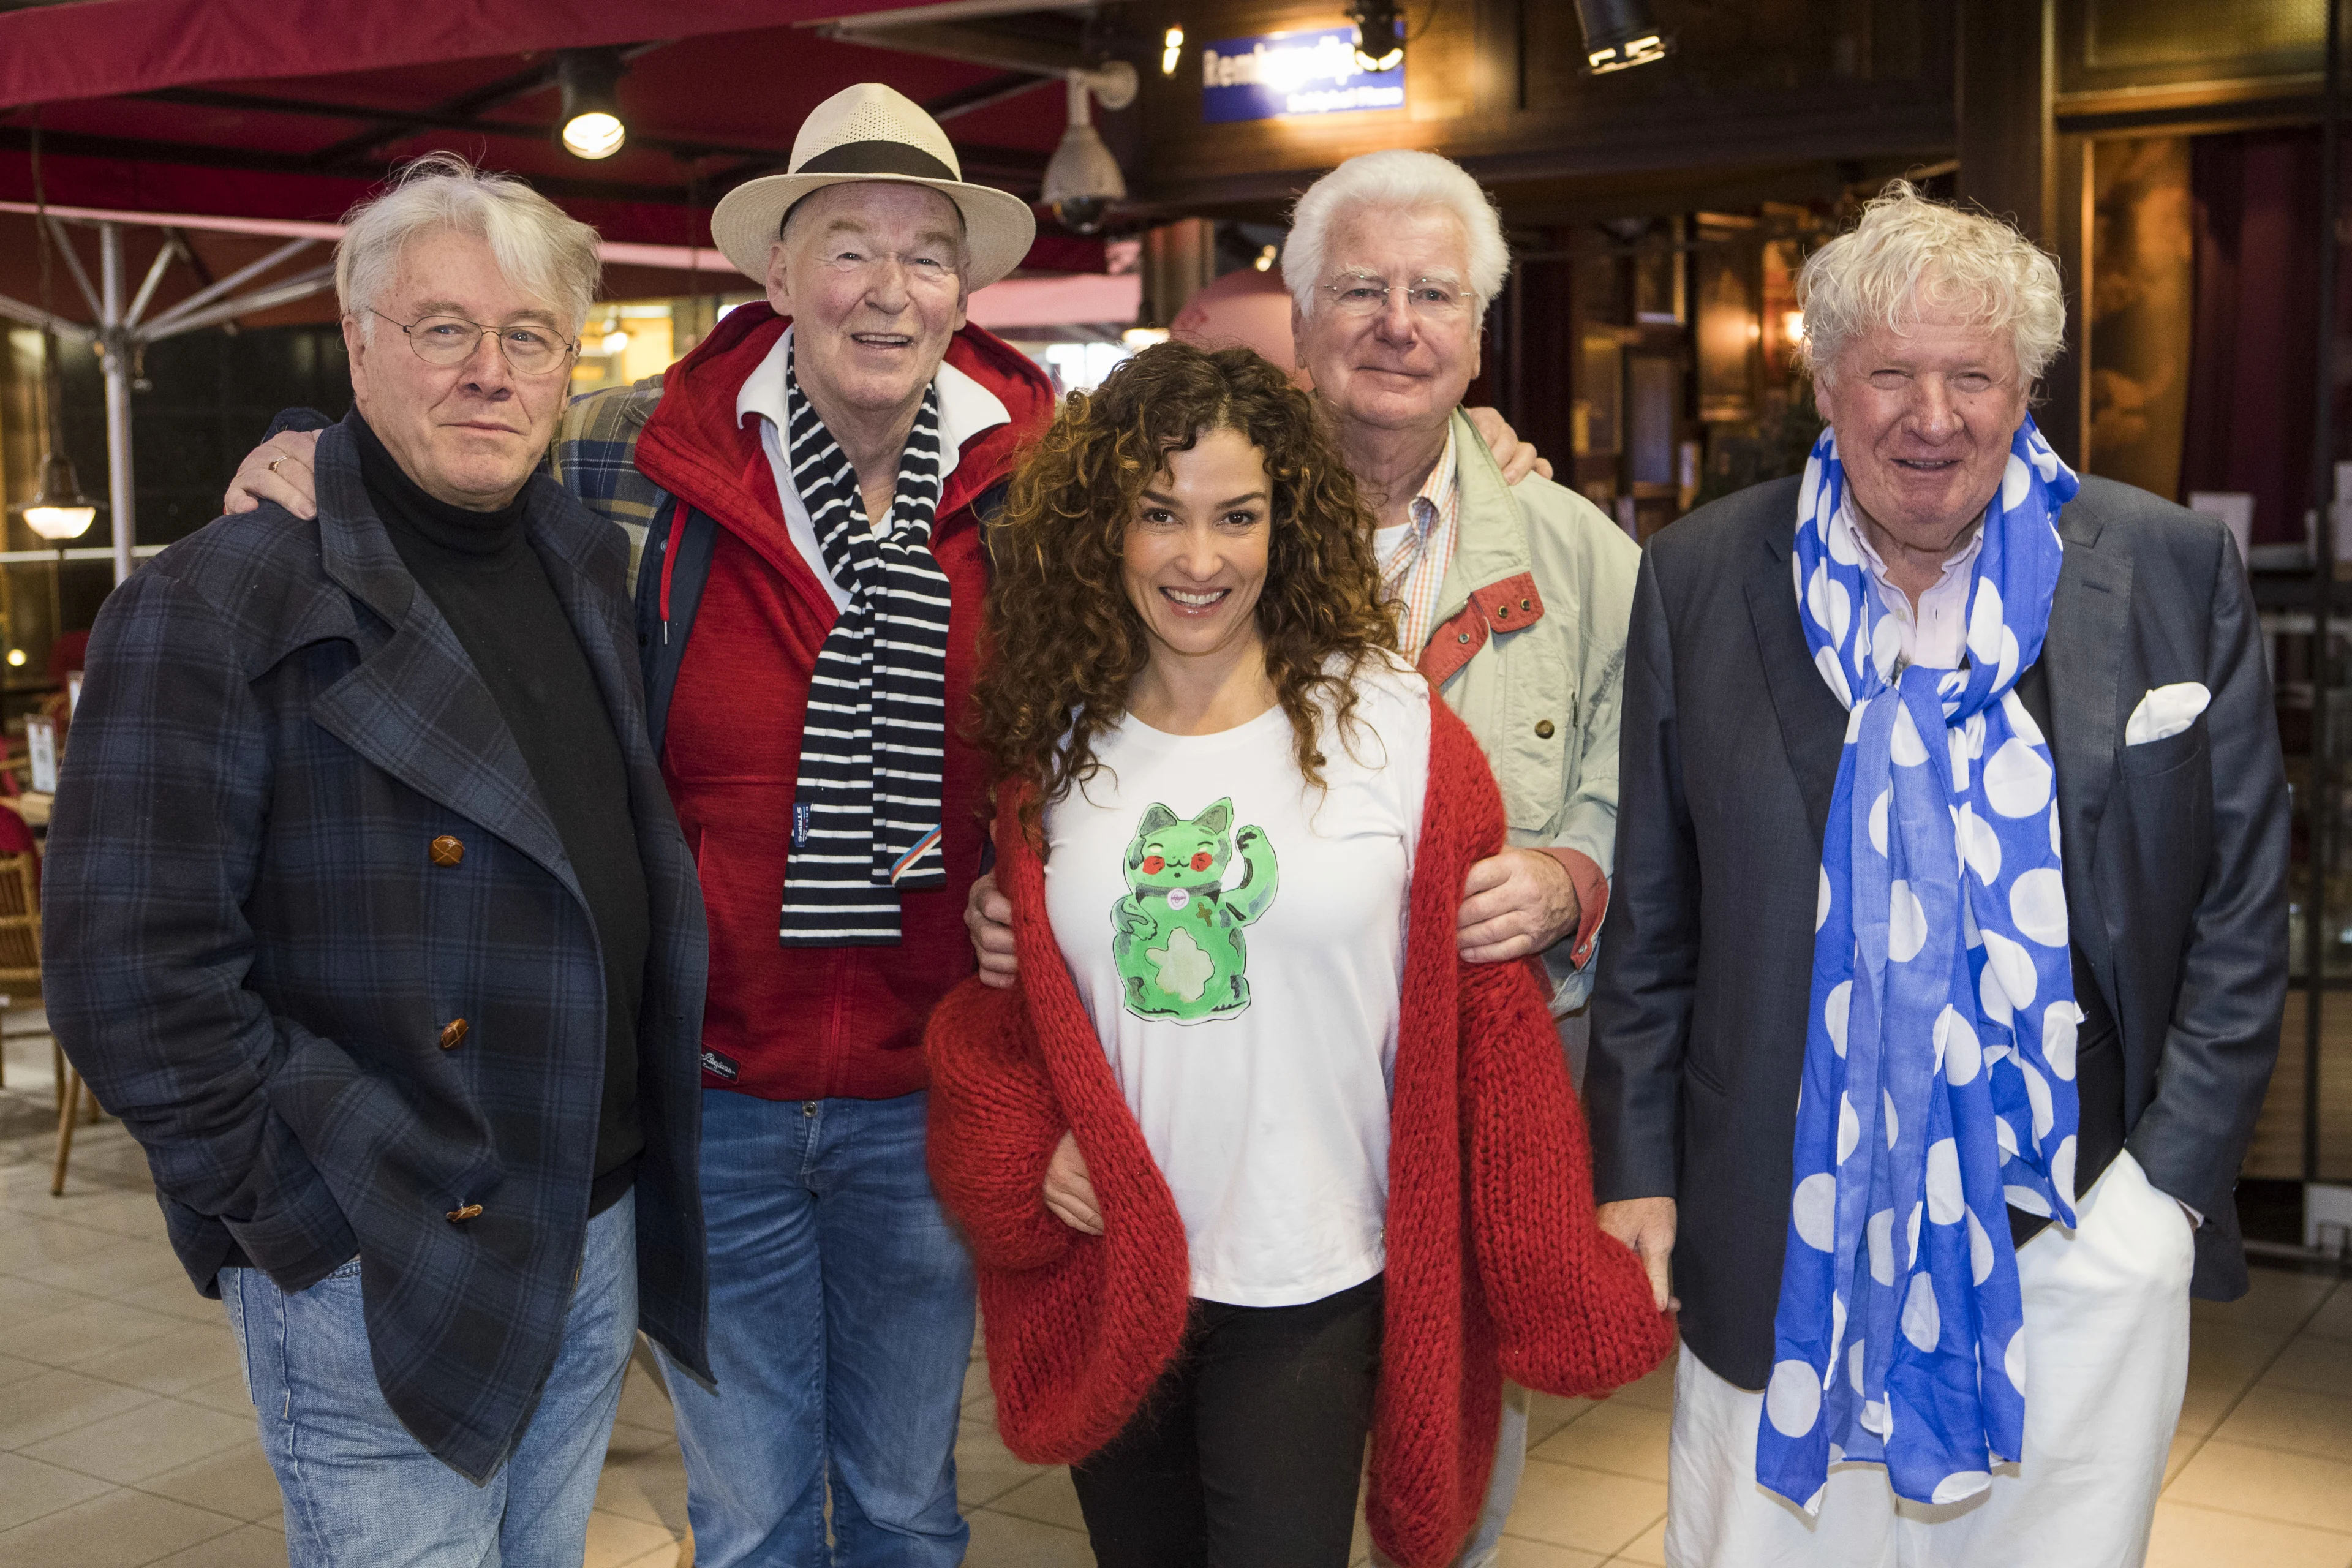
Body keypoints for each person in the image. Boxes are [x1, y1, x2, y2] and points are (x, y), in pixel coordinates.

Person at [223, 97, 1549, 1567]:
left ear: (963, 289)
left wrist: (1463, 442)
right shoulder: (636, 453)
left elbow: (1217, 534)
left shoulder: (1046, 476)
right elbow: (458, 435)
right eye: (848, 248)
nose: (886, 289)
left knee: (910, 1505)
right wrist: (307, 450)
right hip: (714, 1089)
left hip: (928, 1090)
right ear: (778, 274)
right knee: (749, 1516)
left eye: (924, 255)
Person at [1588, 181, 2288, 1567]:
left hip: (2080, 1230)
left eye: (1972, 376)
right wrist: (1640, 1168)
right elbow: (1656, 914)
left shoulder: (2168, 568)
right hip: (1781, 1225)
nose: (1933, 416)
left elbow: (2241, 908)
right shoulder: (1700, 576)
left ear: (2024, 389)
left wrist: (2163, 1195)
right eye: (1891, 374)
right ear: (1824, 384)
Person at [965, 146, 1636, 1565]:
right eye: (1158, 513)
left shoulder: (1436, 677)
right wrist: (1030, 1141)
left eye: (1235, 515)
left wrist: (1552, 1257)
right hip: (1121, 1258)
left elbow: (1517, 999)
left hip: (1322, 1262)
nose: (1197, 553)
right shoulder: (1056, 738)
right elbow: (1011, 1010)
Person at [42, 156, 710, 1566]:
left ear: (568, 364)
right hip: (384, 1241)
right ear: (358, 343)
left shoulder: (587, 565)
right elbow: (127, 976)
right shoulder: (214, 599)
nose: (490, 371)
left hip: (590, 1222)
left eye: (528, 335)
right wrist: (301, 1218)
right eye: (443, 327)